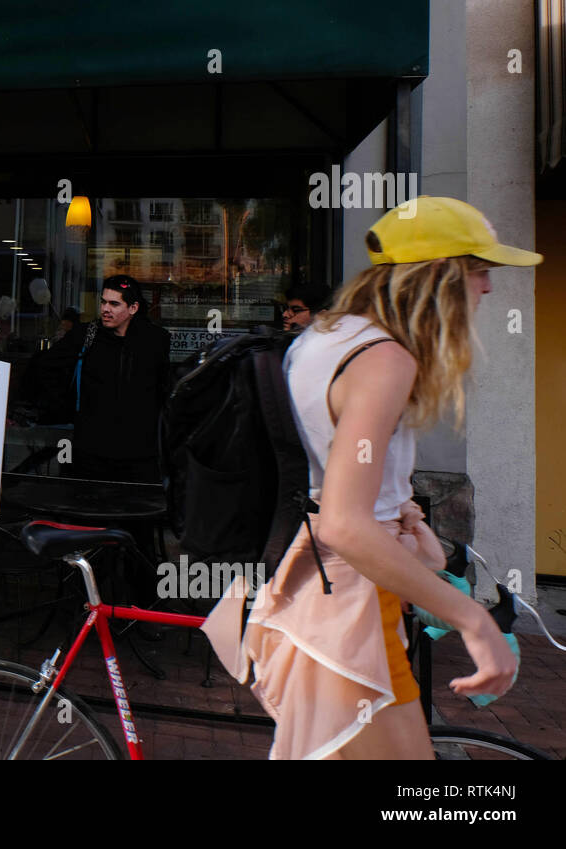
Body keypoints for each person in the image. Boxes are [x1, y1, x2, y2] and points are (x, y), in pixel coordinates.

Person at [203, 196, 533, 759]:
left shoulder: (325, 339)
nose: (488, 288)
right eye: (478, 270)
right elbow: (347, 525)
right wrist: (474, 621)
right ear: (439, 278)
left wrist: (406, 528)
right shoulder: (386, 359)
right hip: (349, 608)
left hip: (323, 598)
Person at [53, 274, 171, 484]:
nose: (106, 309)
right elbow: (50, 370)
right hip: (91, 450)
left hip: (139, 454)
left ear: (133, 308)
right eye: (103, 302)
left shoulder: (155, 340)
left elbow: (163, 389)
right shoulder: (85, 335)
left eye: (114, 304)